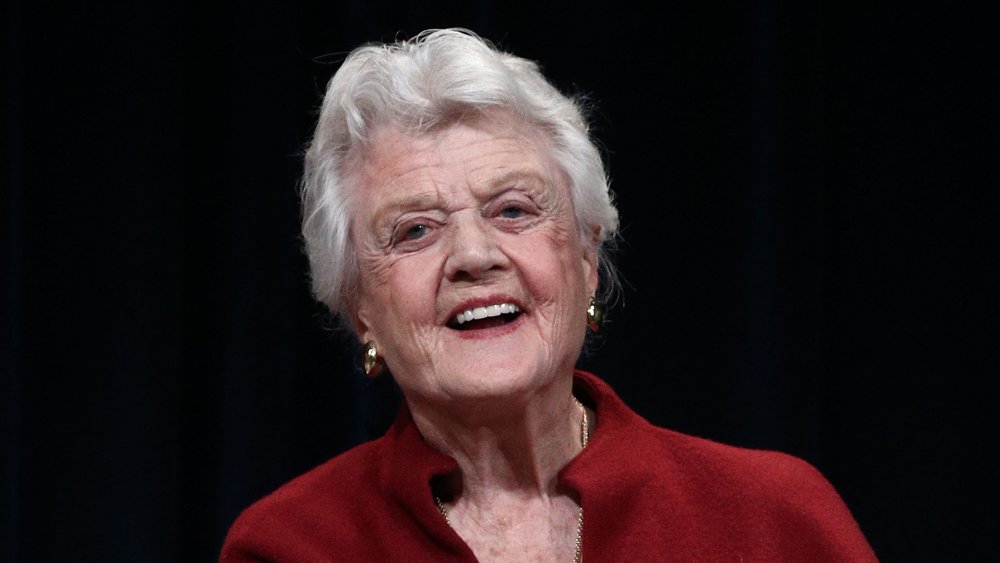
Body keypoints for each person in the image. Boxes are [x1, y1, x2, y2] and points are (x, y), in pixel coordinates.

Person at [219, 28, 877, 562]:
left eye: (512, 210)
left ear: (587, 258)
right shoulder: (291, 546)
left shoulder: (775, 519)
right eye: (415, 230)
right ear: (358, 306)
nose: (475, 257)